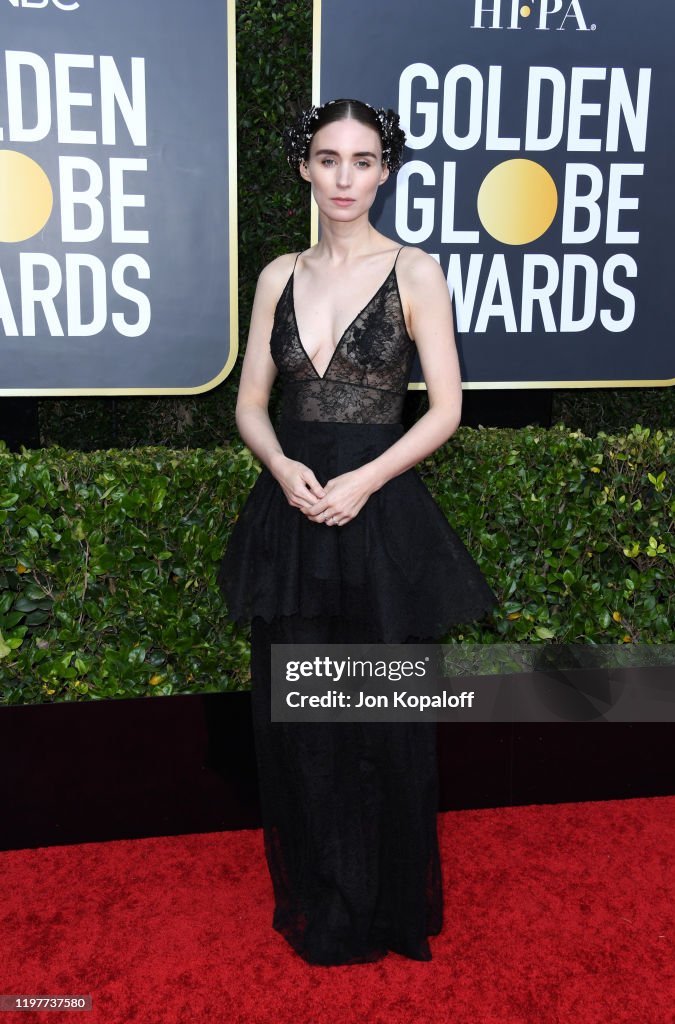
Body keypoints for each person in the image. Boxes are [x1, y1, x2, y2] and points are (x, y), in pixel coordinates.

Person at [217, 98, 498, 966]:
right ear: (304, 168)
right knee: (301, 723)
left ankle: (386, 907)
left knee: (383, 717)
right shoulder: (276, 275)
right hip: (295, 515)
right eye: (328, 159)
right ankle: (323, 899)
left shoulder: (415, 271)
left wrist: (366, 481)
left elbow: (445, 408)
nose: (345, 177)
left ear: (384, 171)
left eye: (363, 160)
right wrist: (281, 468)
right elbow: (251, 404)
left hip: (378, 518)